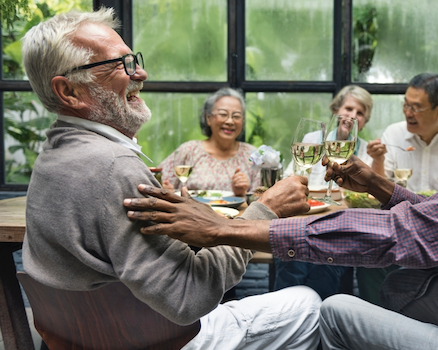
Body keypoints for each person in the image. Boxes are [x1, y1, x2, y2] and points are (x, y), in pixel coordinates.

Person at [125, 35, 438, 350]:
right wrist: (381, 186)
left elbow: (397, 236)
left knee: (331, 309)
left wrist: (231, 228)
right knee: (400, 284)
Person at [21, 8, 320, 350]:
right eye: (121, 64)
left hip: (85, 336)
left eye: (134, 60)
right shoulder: (115, 166)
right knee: (307, 303)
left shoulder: (52, 155)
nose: (141, 73)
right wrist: (265, 209)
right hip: (151, 339)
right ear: (69, 91)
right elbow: (187, 300)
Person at [362, 73, 438, 305]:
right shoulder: (394, 134)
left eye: (416, 107)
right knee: (368, 255)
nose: (408, 112)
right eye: (406, 105)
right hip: (401, 231)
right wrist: (377, 161)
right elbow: (376, 193)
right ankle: (376, 322)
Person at [278, 85, 374, 300]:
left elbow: (366, 197)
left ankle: (318, 319)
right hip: (303, 218)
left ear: (365, 121)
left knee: (326, 267)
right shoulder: (313, 138)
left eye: (360, 113)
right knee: (292, 262)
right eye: (348, 108)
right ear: (336, 110)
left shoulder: (367, 152)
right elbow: (289, 178)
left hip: (340, 225)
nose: (352, 116)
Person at [158, 87, 259, 198]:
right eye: (223, 114)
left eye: (236, 116)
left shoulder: (253, 155)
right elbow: (158, 183)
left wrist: (241, 193)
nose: (230, 121)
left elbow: (261, 200)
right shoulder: (189, 150)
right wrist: (164, 189)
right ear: (208, 118)